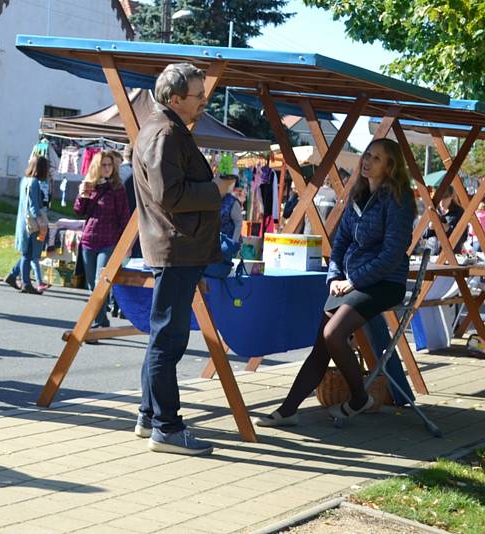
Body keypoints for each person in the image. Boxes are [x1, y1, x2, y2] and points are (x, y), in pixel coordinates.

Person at [255, 138, 416, 427]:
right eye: (367, 155)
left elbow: (392, 255)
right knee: (322, 344)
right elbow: (340, 242)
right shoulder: (358, 194)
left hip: (383, 283)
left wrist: (352, 281)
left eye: (376, 158)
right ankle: (288, 409)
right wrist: (334, 276)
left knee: (333, 334)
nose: (367, 161)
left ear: (391, 166)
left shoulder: (399, 200)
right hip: (350, 283)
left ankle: (358, 398)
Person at [132, 63, 233, 455]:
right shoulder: (165, 132)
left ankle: (148, 415)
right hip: (175, 248)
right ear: (175, 99)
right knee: (168, 340)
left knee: (164, 337)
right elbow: (169, 195)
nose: (204, 102)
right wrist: (215, 190)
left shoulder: (166, 129)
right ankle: (167, 428)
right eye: (198, 96)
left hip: (178, 247)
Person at [74, 150, 130, 330]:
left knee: (100, 282)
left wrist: (125, 244)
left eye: (110, 165)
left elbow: (124, 217)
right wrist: (82, 195)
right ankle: (102, 320)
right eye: (103, 165)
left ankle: (97, 323)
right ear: (96, 167)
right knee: (91, 285)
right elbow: (79, 211)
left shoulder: (117, 189)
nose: (107, 168)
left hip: (109, 242)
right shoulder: (90, 186)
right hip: (89, 240)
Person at [3, 156, 49, 295]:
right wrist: (42, 219)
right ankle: (26, 283)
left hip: (23, 222)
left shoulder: (24, 180)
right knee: (28, 254)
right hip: (31, 224)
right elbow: (33, 207)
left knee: (26, 253)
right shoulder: (34, 182)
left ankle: (13, 276)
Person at [423, 186, 466, 255]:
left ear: (451, 197)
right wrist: (429, 228)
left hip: (451, 254)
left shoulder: (459, 212)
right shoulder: (434, 209)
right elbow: (424, 235)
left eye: (445, 198)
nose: (441, 203)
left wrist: (448, 228)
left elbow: (463, 236)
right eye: (440, 199)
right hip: (432, 252)